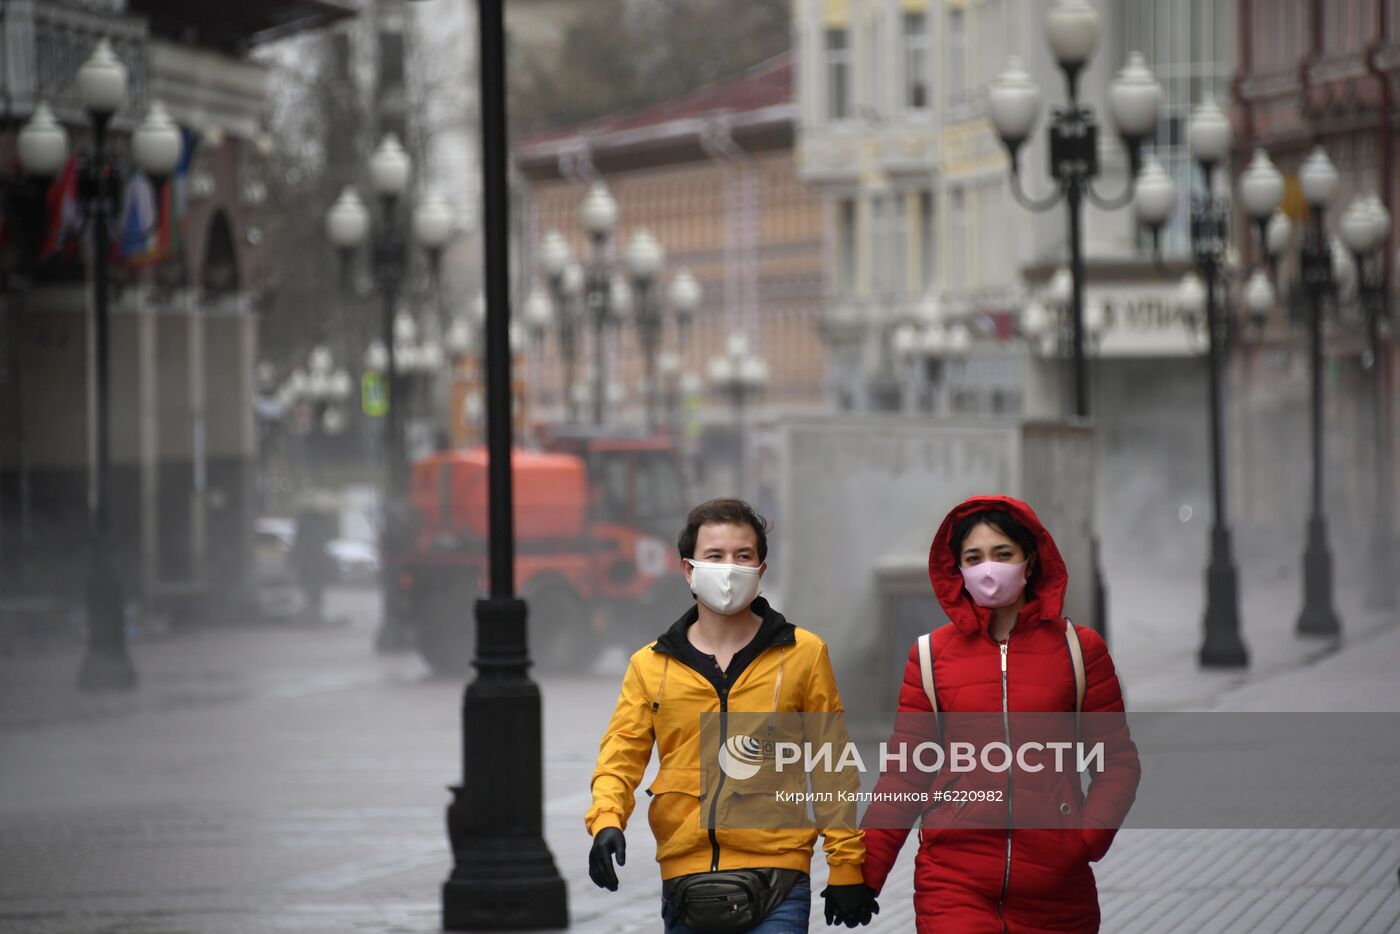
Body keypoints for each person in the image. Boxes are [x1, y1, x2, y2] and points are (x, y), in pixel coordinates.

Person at [586, 497, 879, 931]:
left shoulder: (805, 654)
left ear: (761, 571)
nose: (729, 568)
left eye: (743, 556)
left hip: (781, 877)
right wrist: (607, 820)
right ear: (688, 570)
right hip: (687, 880)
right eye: (715, 556)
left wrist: (846, 866)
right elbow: (620, 756)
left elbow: (833, 767)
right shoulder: (649, 665)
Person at [860, 494, 1140, 933]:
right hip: (953, 883)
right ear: (959, 570)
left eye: (1002, 554)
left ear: (1030, 562)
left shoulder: (1080, 650)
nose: (988, 568)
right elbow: (904, 776)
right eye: (974, 557)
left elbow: (1118, 762)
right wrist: (863, 876)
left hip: (1057, 890)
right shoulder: (931, 656)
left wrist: (1084, 838)